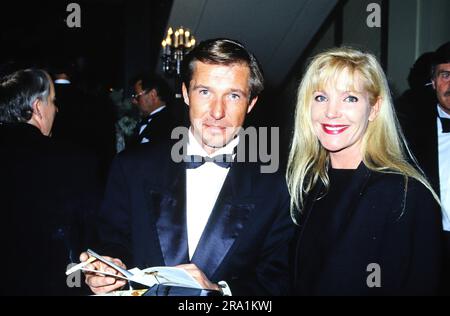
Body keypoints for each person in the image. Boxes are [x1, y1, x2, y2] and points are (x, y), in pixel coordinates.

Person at [80, 38, 294, 296]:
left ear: (250, 104)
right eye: (205, 92)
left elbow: (277, 282)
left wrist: (219, 292)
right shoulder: (131, 166)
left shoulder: (277, 186)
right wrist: (109, 266)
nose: (217, 111)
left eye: (233, 95)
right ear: (184, 93)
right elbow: (113, 239)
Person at [286, 47, 443, 295]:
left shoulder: (404, 194)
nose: (331, 112)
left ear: (374, 108)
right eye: (320, 97)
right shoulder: (305, 185)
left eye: (350, 98)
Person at [0, 69, 101, 295]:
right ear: (37, 107)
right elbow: (90, 237)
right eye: (53, 101)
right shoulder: (74, 161)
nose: (56, 108)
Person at [126, 74, 180, 148]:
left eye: (137, 96)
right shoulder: (151, 121)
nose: (134, 101)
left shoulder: (167, 125)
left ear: (152, 95)